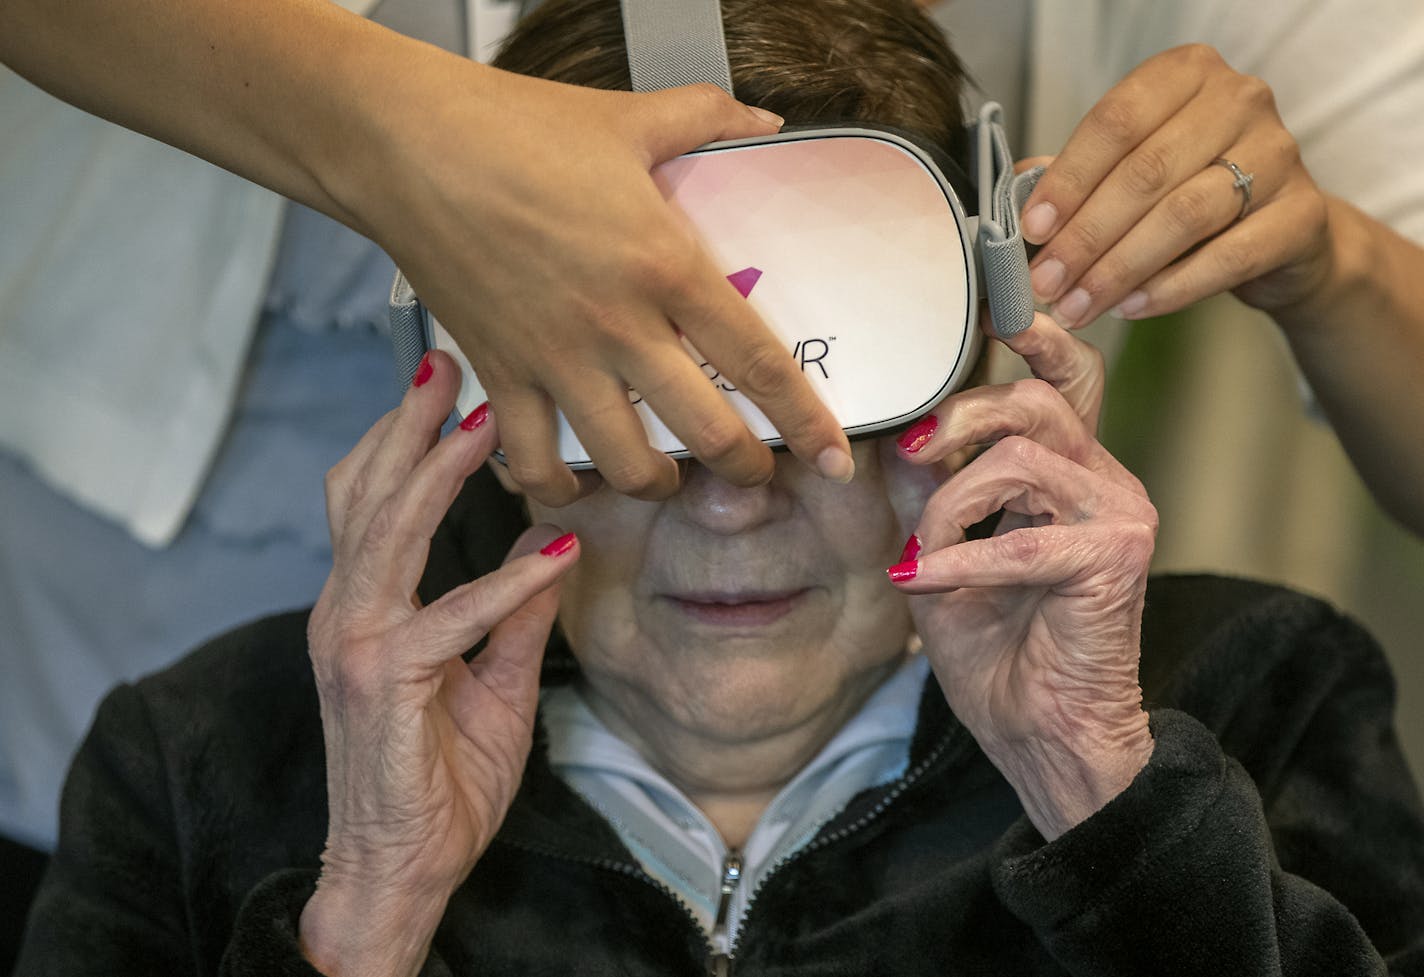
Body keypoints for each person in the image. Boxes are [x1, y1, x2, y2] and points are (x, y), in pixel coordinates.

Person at [17, 2, 1424, 972]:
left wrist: (1115, 805)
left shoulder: (1250, 704)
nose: (731, 498)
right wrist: (360, 927)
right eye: (630, 409)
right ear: (479, 403)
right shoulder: (201, 780)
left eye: (818, 401)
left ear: (972, 369)